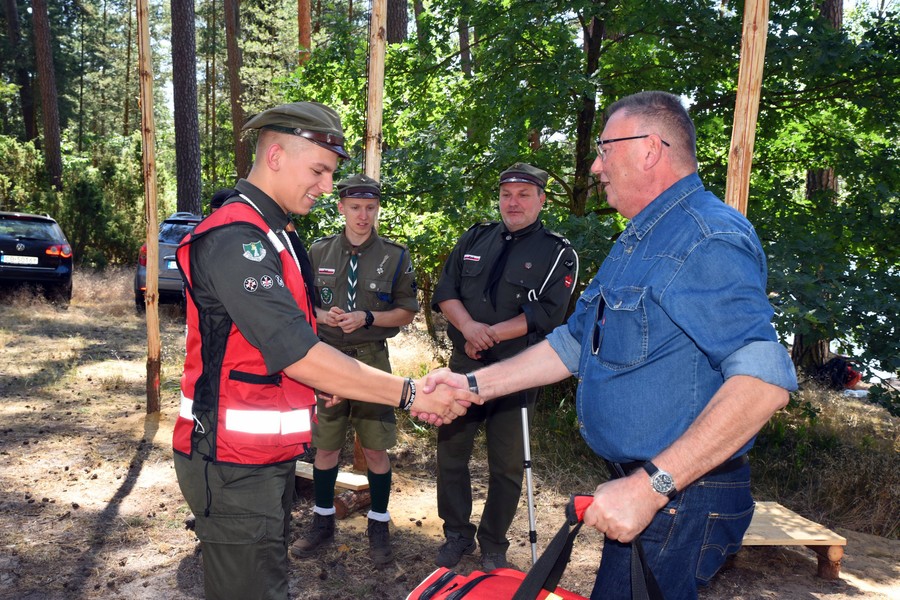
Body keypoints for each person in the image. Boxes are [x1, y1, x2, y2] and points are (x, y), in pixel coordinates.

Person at [420, 91, 798, 600]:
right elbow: (573, 342)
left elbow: (763, 382)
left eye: (605, 150)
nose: (596, 166)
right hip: (650, 493)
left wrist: (651, 486)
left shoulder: (705, 238)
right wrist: (470, 386)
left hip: (679, 498)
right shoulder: (640, 238)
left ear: (649, 149)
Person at [172, 101, 476, 600]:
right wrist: (410, 393)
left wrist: (311, 386)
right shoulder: (237, 238)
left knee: (268, 583)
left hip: (262, 458)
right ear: (275, 156)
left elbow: (267, 344)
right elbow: (297, 350)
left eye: (331, 173)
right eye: (319, 171)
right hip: (229, 461)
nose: (327, 186)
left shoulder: (276, 233)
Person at [430, 162, 579, 571]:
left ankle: (493, 544)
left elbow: (548, 314)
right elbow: (446, 289)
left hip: (517, 371)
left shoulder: (558, 252)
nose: (513, 203)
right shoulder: (475, 237)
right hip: (464, 365)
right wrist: (469, 328)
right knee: (451, 454)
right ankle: (456, 534)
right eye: (506, 195)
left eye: (523, 195)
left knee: (508, 464)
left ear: (541, 200)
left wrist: (490, 334)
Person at [290, 173, 419, 565]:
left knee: (376, 449)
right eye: (355, 207)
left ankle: (378, 524)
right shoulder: (319, 251)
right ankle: (322, 522)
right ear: (341, 207)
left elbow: (406, 311)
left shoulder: (394, 256)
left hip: (370, 360)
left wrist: (367, 317)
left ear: (377, 209)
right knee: (326, 446)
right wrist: (321, 315)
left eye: (370, 208)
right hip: (326, 358)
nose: (363, 215)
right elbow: (301, 303)